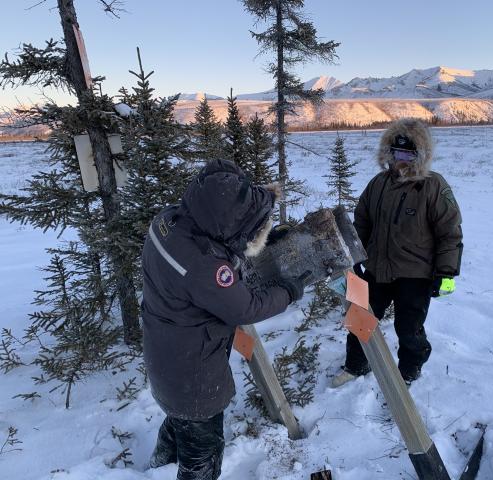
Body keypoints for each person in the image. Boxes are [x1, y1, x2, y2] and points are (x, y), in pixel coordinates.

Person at [142, 159, 304, 479]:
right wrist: (288, 291)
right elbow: (246, 307)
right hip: (194, 378)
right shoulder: (205, 267)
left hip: (165, 356)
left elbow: (217, 247)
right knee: (202, 454)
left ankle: (156, 466)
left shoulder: (171, 221)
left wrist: (258, 243)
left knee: (178, 422)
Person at [331, 118, 463, 387]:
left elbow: (449, 231)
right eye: (395, 152)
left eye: (406, 154)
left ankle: (410, 369)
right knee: (359, 319)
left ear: (419, 155)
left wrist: (446, 273)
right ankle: (356, 365)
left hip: (415, 275)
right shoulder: (378, 184)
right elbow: (362, 223)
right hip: (377, 269)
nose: (399, 160)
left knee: (409, 328)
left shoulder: (433, 186)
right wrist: (354, 259)